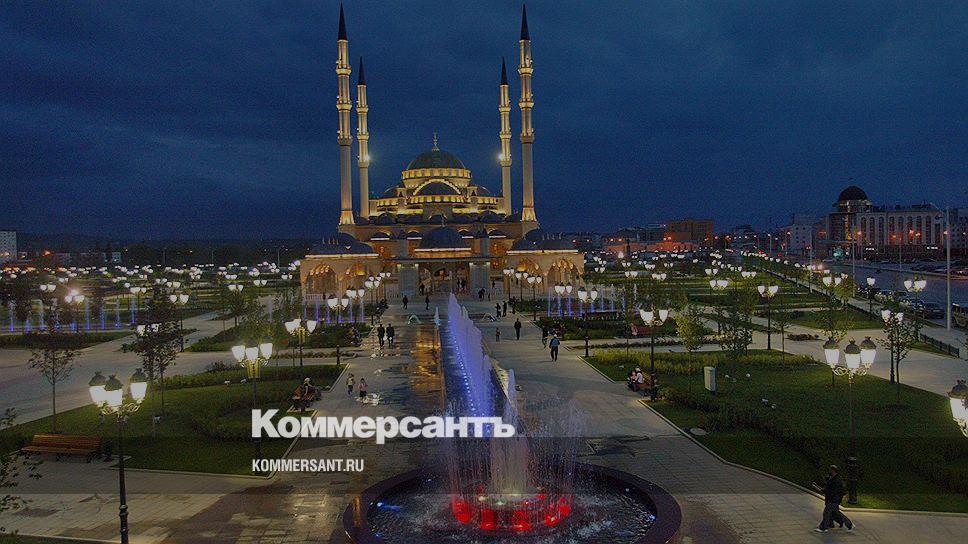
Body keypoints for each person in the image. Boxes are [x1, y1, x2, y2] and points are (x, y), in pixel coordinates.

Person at [815, 465, 853, 532]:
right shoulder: (835, 478)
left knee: (826, 513)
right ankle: (847, 524)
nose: (829, 471)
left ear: (833, 471)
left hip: (833, 499)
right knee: (835, 513)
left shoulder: (837, 480)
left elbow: (833, 490)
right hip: (833, 499)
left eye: (831, 470)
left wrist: (825, 491)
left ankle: (823, 527)